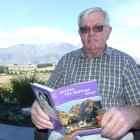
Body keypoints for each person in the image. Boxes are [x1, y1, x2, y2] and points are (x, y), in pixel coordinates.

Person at [31, 7, 140, 140]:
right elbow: (46, 95)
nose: (91, 33)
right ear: (80, 33)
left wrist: (134, 113)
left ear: (108, 32)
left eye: (98, 27)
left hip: (111, 135)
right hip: (68, 133)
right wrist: (39, 106)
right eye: (85, 29)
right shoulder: (66, 60)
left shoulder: (125, 62)